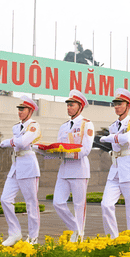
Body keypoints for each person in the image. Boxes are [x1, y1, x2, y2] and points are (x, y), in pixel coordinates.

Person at [99, 88, 130, 238]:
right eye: (115, 103)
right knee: (106, 204)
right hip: (116, 168)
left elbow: (128, 138)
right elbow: (121, 138)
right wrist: (112, 136)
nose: (116, 106)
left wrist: (109, 138)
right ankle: (113, 238)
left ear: (128, 105)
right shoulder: (113, 125)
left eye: (120, 103)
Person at [52, 90, 95, 242]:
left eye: (72, 105)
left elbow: (86, 149)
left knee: (79, 205)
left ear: (80, 107)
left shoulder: (86, 124)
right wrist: (51, 151)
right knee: (57, 202)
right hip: (64, 170)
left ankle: (79, 236)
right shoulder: (63, 126)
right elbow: (59, 145)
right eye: (68, 105)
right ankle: (75, 229)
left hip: (79, 169)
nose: (69, 107)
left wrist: (67, 153)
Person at [0, 96, 42, 245]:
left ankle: (33, 237)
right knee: (5, 199)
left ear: (30, 111)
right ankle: (15, 233)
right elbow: (18, 142)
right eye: (19, 108)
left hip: (28, 166)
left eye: (22, 109)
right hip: (16, 165)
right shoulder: (16, 127)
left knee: (31, 203)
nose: (20, 111)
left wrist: (9, 142)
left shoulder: (34, 126)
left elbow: (23, 142)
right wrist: (13, 142)